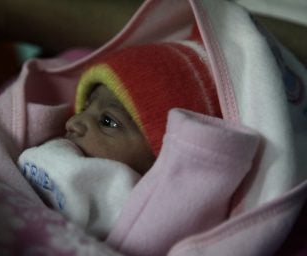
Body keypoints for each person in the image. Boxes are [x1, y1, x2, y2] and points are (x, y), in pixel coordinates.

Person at [17, 40, 223, 239]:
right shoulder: (43, 144)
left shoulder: (149, 218)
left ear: (160, 161)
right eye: (85, 108)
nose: (73, 121)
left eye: (108, 122)